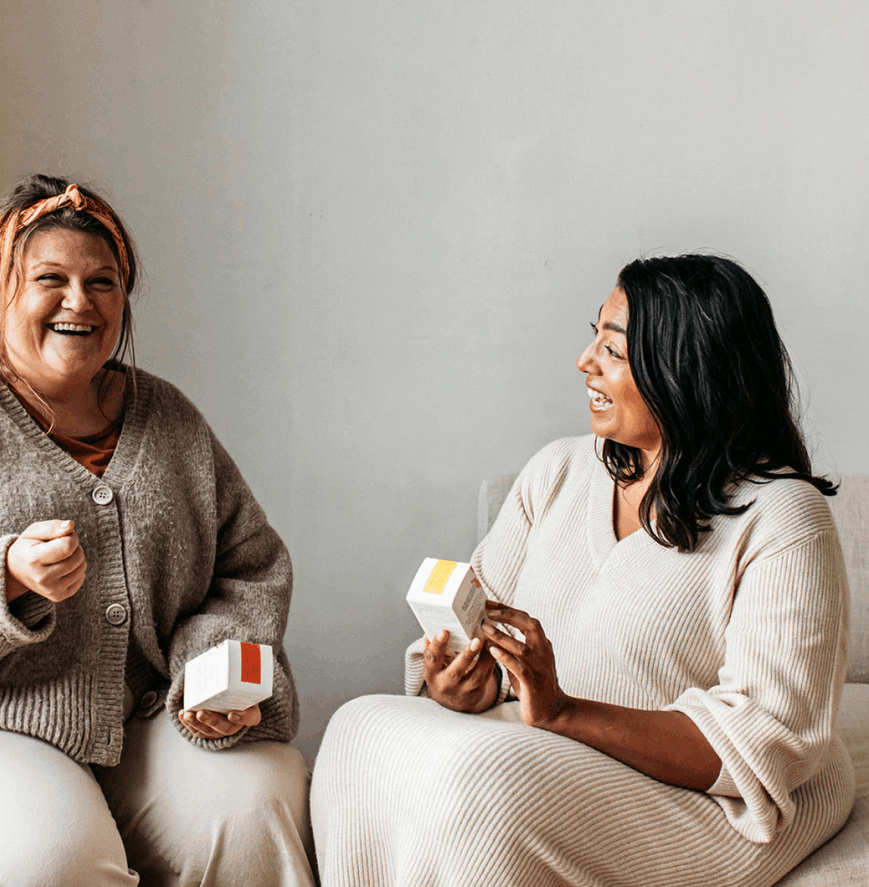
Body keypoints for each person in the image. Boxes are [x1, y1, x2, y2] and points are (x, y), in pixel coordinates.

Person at [0, 175, 316, 887]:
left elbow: (247, 567)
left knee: (257, 796)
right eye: (50, 279)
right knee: (55, 856)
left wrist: (209, 679)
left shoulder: (171, 421)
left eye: (103, 282)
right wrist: (0, 579)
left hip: (132, 719)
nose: (79, 302)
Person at [310, 254, 854, 887]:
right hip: (552, 745)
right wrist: (464, 684)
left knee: (483, 789)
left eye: (614, 350)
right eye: (593, 334)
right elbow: (484, 625)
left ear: (687, 370)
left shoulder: (783, 516)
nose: (584, 361)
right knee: (358, 730)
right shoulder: (561, 470)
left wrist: (565, 711)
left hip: (712, 798)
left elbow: (766, 740)